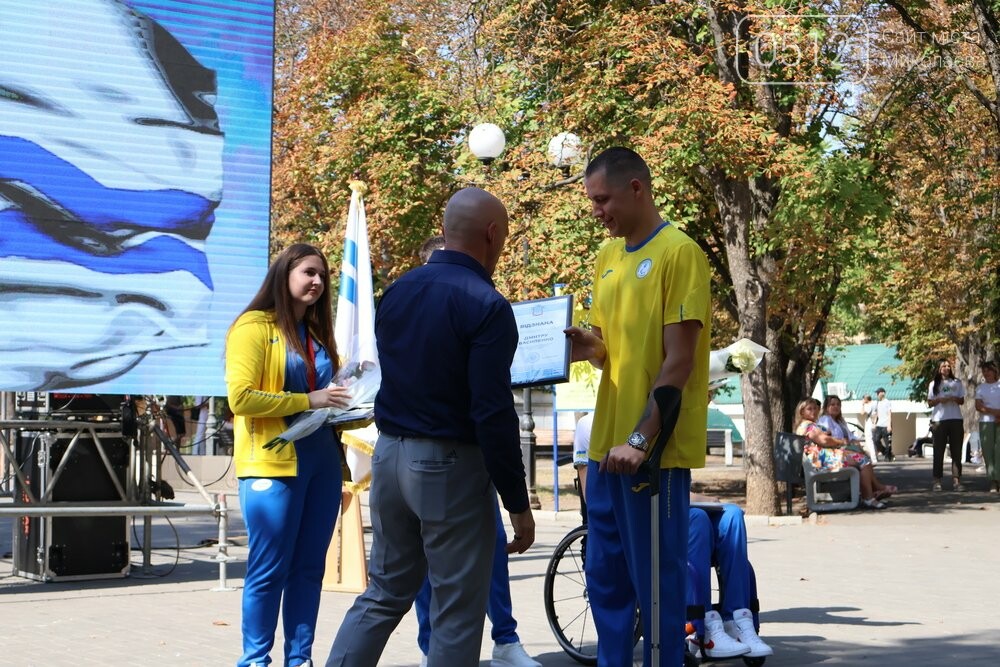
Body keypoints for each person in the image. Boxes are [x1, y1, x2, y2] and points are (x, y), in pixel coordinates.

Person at [327, 188, 535, 667]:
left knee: (384, 591)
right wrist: (517, 504)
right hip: (448, 467)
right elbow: (492, 411)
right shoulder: (487, 304)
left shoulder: (400, 289)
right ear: (493, 234)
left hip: (390, 455)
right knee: (457, 610)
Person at [564, 147, 712, 667]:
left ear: (636, 188)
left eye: (602, 199)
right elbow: (614, 351)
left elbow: (680, 363)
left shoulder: (680, 252)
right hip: (606, 448)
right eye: (591, 202)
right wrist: (592, 348)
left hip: (651, 453)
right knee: (605, 581)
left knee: (658, 587)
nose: (597, 211)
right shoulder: (606, 258)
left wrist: (642, 439)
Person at [411, 232, 540, 667]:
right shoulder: (413, 305)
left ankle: (505, 639)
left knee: (493, 551)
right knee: (418, 571)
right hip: (430, 460)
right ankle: (432, 648)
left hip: (473, 458)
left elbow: (490, 400)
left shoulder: (479, 305)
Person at [226, 243, 352, 667]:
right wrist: (309, 399)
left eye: (322, 276)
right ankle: (254, 661)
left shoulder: (317, 336)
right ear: (285, 275)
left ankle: (300, 660)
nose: (317, 281)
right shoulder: (253, 327)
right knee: (268, 571)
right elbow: (241, 398)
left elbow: (326, 404)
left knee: (308, 572)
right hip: (271, 464)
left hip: (322, 465)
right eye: (309, 273)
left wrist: (355, 407)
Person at [686, 500, 773, 660]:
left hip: (684, 501)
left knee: (733, 514)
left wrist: (706, 499)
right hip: (658, 512)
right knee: (698, 518)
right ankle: (702, 624)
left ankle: (736, 622)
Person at [794, 398, 892, 509]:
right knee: (863, 460)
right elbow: (824, 440)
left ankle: (873, 492)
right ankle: (869, 497)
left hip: (820, 459)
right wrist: (840, 441)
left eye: (815, 408)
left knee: (862, 459)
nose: (813, 411)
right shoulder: (808, 426)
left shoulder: (807, 424)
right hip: (821, 460)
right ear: (802, 412)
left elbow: (823, 437)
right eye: (809, 409)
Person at [927, 360, 966, 491]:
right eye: (944, 366)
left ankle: (956, 481)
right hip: (939, 421)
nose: (947, 368)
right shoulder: (933, 384)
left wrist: (954, 398)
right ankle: (937, 481)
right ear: (939, 369)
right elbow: (929, 403)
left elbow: (962, 400)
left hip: (955, 419)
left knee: (956, 451)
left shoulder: (957, 383)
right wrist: (939, 400)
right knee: (938, 451)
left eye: (949, 366)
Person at [975, 360, 1000, 492]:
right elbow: (978, 406)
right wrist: (995, 412)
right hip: (986, 422)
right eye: (984, 371)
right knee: (988, 451)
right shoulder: (980, 388)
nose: (986, 373)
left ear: (995, 370)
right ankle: (993, 481)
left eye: (988, 370)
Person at [867, 388, 893, 461]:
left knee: (887, 442)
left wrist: (889, 425)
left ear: (883, 393)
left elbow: (889, 414)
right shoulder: (877, 403)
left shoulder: (887, 402)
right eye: (877, 393)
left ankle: (888, 457)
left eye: (879, 393)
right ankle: (885, 452)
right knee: (875, 440)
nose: (877, 394)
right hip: (879, 425)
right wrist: (874, 423)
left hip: (886, 425)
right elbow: (877, 414)